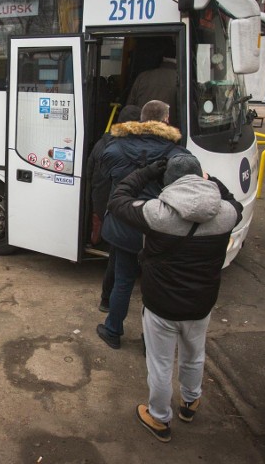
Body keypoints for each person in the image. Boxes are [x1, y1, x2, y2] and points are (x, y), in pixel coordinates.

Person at [106, 153, 242, 443]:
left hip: (161, 306)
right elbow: (233, 200)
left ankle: (158, 417)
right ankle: (191, 402)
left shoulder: (157, 214)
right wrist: (207, 178)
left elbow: (118, 199)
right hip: (201, 304)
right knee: (194, 356)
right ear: (201, 179)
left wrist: (146, 172)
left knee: (161, 364)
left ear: (168, 182)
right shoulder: (227, 213)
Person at [95, 100, 188, 349]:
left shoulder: (115, 148)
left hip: (124, 224)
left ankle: (113, 330)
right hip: (158, 228)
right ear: (166, 120)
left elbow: (106, 174)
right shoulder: (177, 154)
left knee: (123, 280)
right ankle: (149, 341)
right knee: (153, 287)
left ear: (142, 119)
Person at [86, 104, 141, 313]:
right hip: (123, 206)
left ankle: (105, 299)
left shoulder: (104, 142)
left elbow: (91, 170)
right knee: (121, 260)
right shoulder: (137, 149)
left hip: (103, 200)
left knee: (112, 248)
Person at [127, 39, 178, 116]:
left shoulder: (143, 77)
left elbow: (129, 109)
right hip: (168, 127)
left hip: (142, 126)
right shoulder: (182, 80)